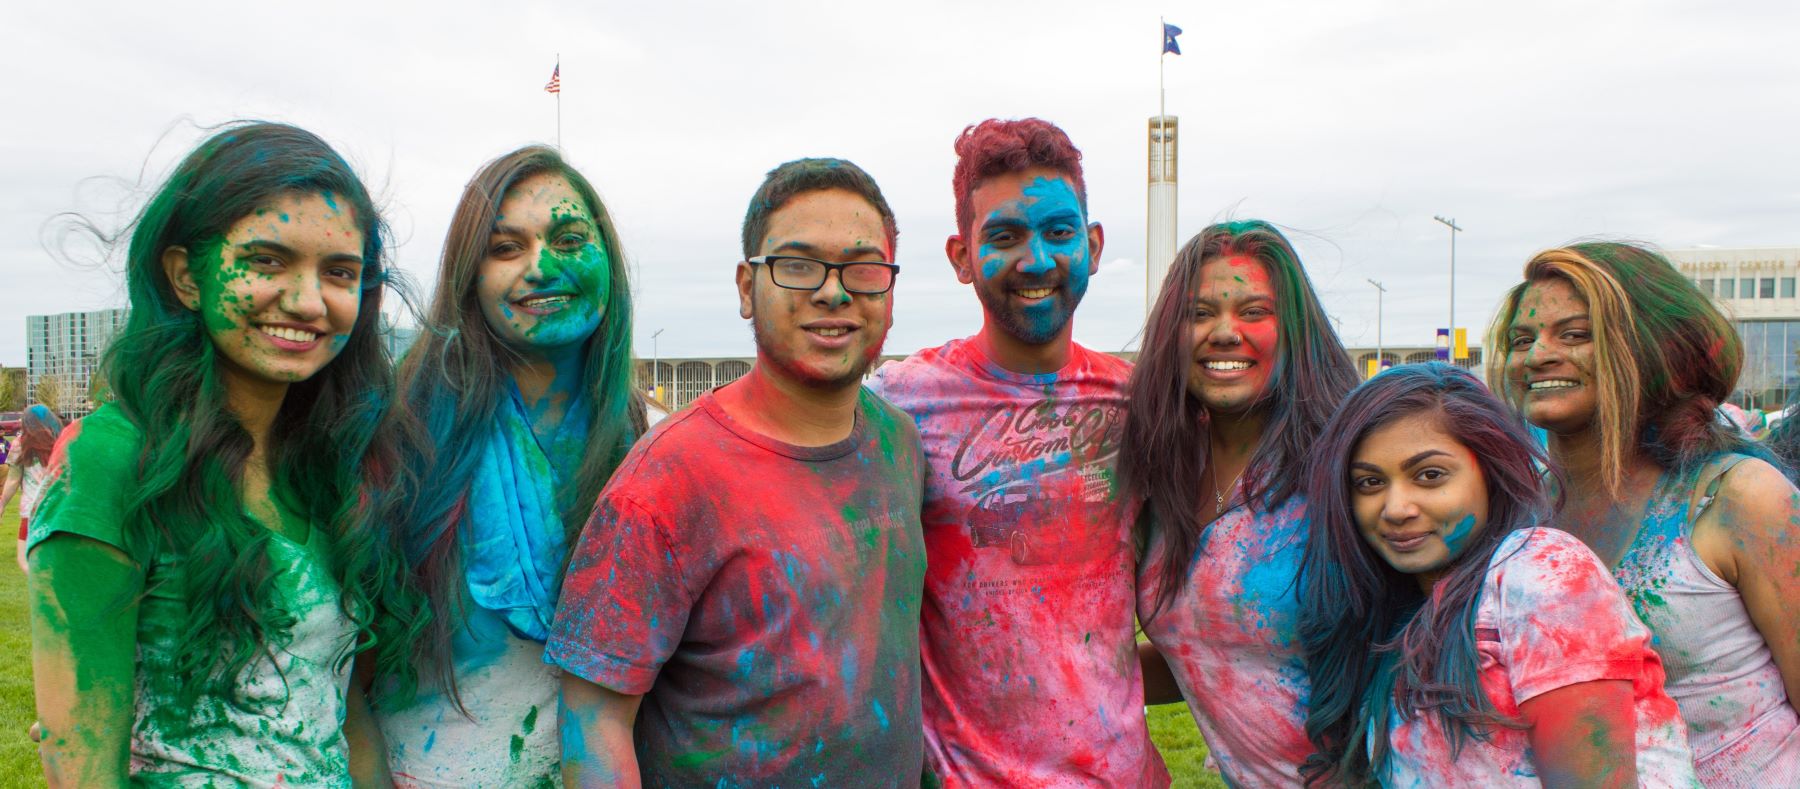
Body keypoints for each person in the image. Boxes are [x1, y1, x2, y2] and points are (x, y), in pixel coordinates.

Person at [26, 122, 416, 786]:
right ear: (185, 276)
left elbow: (345, 717)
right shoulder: (113, 461)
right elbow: (81, 758)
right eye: (267, 260)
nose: (307, 301)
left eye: (339, 272)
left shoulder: (329, 466)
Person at [549, 158, 927, 786]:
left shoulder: (900, 446)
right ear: (747, 288)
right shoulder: (666, 480)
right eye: (798, 264)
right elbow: (593, 720)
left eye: (863, 269)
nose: (833, 292)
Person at [868, 118, 1168, 787]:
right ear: (961, 255)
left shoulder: (1139, 405)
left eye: (1059, 233)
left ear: (1091, 245)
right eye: (1004, 236)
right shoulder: (900, 406)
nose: (1035, 260)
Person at [374, 145, 643, 787]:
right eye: (505, 248)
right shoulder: (400, 438)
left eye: (570, 239)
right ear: (471, 275)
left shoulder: (651, 446)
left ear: (608, 259)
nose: (541, 268)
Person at [1297, 362, 1697, 786]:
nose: (1396, 509)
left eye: (1430, 476)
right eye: (1369, 484)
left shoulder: (1542, 572)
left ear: (1490, 472)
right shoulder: (1391, 612)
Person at [1491, 241, 1800, 785]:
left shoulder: (1737, 496)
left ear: (1650, 350)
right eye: (1523, 339)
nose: (1537, 355)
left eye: (1575, 334)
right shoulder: (1516, 514)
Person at [1117, 220, 1358, 786]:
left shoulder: (1347, 468)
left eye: (1254, 312)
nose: (1224, 332)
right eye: (1200, 314)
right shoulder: (1167, 475)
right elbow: (1213, 652)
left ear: (1295, 330)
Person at [3, 404, 63, 571]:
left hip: (31, 511)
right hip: (58, 508)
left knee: (26, 562)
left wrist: (2, 503)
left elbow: (13, 480)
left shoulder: (19, 444)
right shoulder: (65, 441)